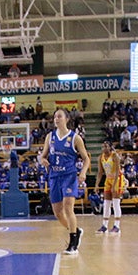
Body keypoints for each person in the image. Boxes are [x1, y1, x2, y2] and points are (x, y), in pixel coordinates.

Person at [39, 108, 90, 255]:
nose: (56, 119)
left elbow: (86, 159)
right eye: (55, 117)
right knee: (58, 213)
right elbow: (42, 156)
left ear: (66, 119)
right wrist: (43, 160)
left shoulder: (75, 138)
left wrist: (83, 172)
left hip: (69, 176)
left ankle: (73, 243)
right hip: (54, 176)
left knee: (68, 208)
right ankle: (76, 231)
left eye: (59, 116)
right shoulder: (50, 137)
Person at [95, 142, 125, 234]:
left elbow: (117, 171)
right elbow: (100, 172)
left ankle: (117, 226)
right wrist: (97, 184)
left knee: (116, 203)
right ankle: (104, 225)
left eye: (106, 146)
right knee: (106, 203)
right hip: (108, 179)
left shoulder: (115, 156)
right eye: (102, 146)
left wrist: (114, 185)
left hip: (117, 179)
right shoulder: (101, 157)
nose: (104, 148)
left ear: (110, 147)